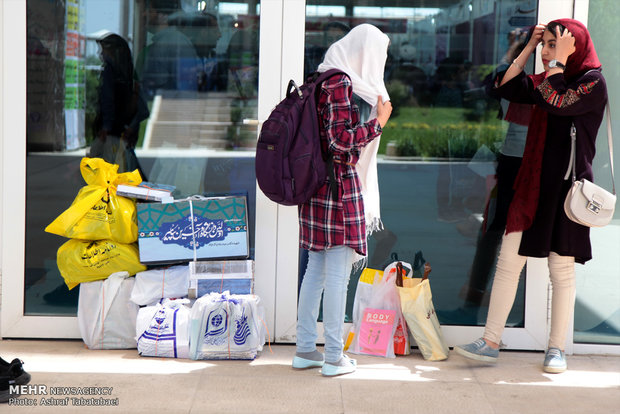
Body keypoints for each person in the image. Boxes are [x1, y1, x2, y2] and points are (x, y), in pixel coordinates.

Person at [455, 19, 608, 374]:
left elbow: (558, 102)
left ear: (576, 47)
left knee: (561, 270)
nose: (548, 52)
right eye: (547, 45)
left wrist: (556, 64)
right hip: (532, 185)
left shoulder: (592, 83)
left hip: (567, 190)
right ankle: (491, 341)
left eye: (555, 45)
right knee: (509, 261)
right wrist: (526, 47)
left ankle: (556, 349)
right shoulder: (545, 79)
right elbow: (503, 85)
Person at [293, 24, 393, 377]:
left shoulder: (321, 78)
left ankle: (306, 349)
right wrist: (378, 123)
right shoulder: (340, 84)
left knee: (316, 271)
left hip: (319, 188)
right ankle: (334, 356)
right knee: (335, 275)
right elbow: (339, 143)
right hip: (337, 188)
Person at [438, 28, 533, 325]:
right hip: (508, 162)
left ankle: (525, 318)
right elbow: (492, 86)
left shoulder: (547, 80)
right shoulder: (513, 75)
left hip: (535, 164)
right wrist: (516, 51)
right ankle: (472, 309)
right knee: (491, 235)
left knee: (524, 240)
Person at [89, 32, 150, 177]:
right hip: (124, 131)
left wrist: (106, 127)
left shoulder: (110, 71)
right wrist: (131, 126)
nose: (101, 54)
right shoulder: (129, 74)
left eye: (104, 50)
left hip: (113, 132)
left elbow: (107, 100)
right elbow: (143, 109)